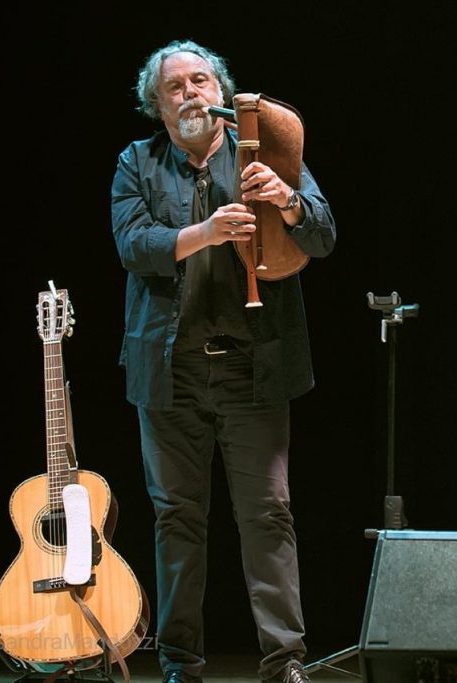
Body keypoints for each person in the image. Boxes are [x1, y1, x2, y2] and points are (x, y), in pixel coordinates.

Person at [111, 39, 335, 683]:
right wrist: (206, 233)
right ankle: (180, 662)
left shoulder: (261, 149)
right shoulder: (137, 161)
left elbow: (323, 233)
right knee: (177, 517)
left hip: (252, 368)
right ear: (157, 105)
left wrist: (287, 200)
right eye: (175, 86)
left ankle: (284, 659)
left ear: (221, 91)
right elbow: (134, 244)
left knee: (268, 514)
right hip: (170, 369)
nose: (190, 94)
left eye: (201, 81)